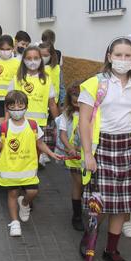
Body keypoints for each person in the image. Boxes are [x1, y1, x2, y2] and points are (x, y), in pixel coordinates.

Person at [78, 37, 131, 261]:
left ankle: (111, 250)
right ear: (109, 57)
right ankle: (90, 237)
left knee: (121, 205)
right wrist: (88, 154)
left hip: (129, 149)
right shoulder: (94, 85)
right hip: (103, 148)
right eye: (118, 55)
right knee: (99, 204)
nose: (122, 60)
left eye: (127, 56)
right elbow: (84, 122)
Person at [0, 90, 58, 238]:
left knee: (32, 192)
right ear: (7, 108)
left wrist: (51, 153)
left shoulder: (33, 125)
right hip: (10, 169)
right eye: (12, 107)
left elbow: (39, 143)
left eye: (20, 106)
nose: (16, 110)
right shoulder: (4, 127)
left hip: (28, 169)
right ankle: (14, 223)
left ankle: (25, 203)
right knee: (13, 193)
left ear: (26, 107)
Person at [56, 81, 84, 231]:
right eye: (74, 94)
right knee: (77, 183)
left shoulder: (93, 113)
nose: (77, 98)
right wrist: (70, 148)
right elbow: (62, 134)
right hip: (74, 156)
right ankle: (77, 216)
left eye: (80, 95)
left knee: (87, 183)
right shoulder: (67, 114)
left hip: (88, 155)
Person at [10, 44, 59, 129]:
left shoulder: (47, 80)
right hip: (19, 123)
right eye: (29, 58)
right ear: (24, 60)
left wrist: (59, 124)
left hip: (39, 125)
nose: (33, 61)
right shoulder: (17, 79)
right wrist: (6, 122)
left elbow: (52, 104)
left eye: (36, 58)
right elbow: (8, 102)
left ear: (41, 60)